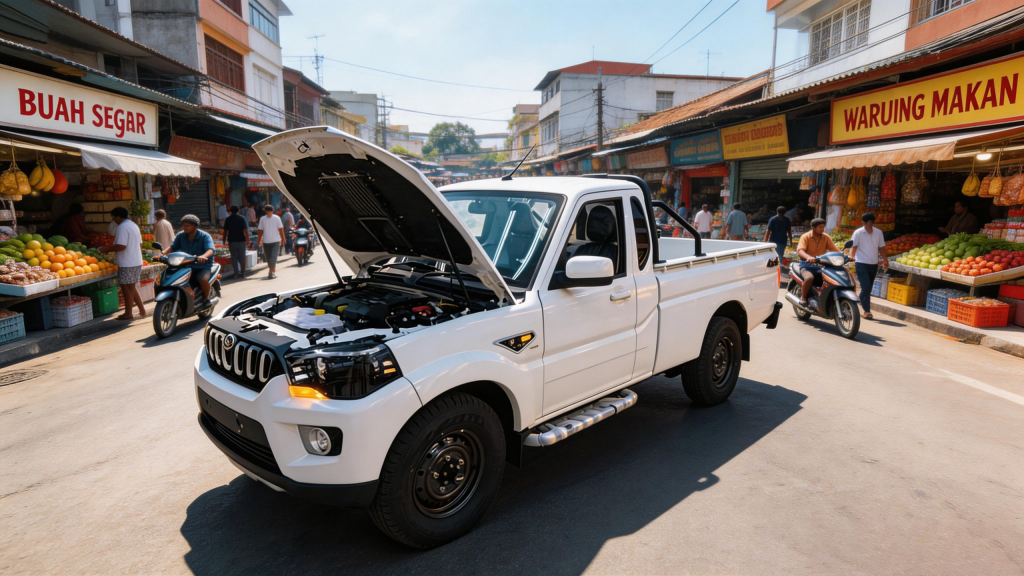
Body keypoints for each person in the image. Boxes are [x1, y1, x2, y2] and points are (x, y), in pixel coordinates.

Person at [98, 207, 145, 321]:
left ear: (118, 216)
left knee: (126, 288)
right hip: (135, 260)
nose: (114, 220)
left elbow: (121, 246)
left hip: (127, 262)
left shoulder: (122, 227)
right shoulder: (133, 225)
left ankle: (128, 313)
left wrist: (107, 249)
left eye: (114, 217)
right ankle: (142, 310)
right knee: (131, 287)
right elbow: (140, 244)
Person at [162, 214, 215, 300]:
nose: (184, 228)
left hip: (202, 266)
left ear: (194, 226)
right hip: (185, 266)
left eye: (187, 226)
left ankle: (207, 299)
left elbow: (210, 250)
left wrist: (203, 256)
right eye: (183, 225)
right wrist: (162, 254)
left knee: (202, 279)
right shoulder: (180, 235)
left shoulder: (205, 236)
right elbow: (172, 247)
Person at [850, 212, 888, 320]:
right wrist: (852, 259)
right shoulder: (858, 233)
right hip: (861, 263)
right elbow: (854, 247)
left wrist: (885, 260)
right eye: (868, 224)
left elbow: (881, 248)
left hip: (873, 264)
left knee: (868, 288)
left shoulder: (878, 233)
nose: (870, 226)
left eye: (872, 224)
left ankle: (861, 298)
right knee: (866, 287)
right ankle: (867, 311)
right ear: (864, 223)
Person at [796, 217, 839, 307]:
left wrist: (845, 256)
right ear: (813, 227)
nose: (822, 229)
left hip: (821, 266)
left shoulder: (826, 237)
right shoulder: (805, 237)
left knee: (832, 278)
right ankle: (803, 297)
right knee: (809, 278)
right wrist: (809, 257)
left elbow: (833, 249)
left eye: (823, 227)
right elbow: (800, 250)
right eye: (820, 227)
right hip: (807, 265)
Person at [222, 205, 251, 279]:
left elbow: (225, 231)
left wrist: (224, 240)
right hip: (241, 240)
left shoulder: (228, 219)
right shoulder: (242, 218)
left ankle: (236, 273)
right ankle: (242, 273)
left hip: (231, 241)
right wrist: (248, 240)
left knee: (234, 257)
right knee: (242, 257)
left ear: (230, 211)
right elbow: (246, 230)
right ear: (239, 210)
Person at [257, 205, 284, 279]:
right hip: (266, 241)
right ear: (265, 211)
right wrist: (258, 241)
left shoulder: (277, 218)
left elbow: (281, 229)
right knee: (268, 258)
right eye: (267, 211)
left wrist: (283, 239)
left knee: (273, 257)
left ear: (272, 211)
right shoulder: (262, 219)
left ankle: (272, 272)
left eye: (270, 211)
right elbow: (260, 231)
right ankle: (271, 269)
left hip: (275, 241)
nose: (268, 212)